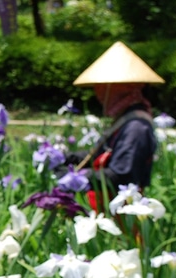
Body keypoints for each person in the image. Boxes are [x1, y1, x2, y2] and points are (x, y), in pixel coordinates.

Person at [70, 41, 164, 191]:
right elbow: (102, 154)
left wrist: (78, 177)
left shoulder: (136, 127)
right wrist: (68, 158)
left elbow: (121, 175)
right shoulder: (124, 118)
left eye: (103, 85)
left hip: (121, 210)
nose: (98, 91)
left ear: (124, 87)